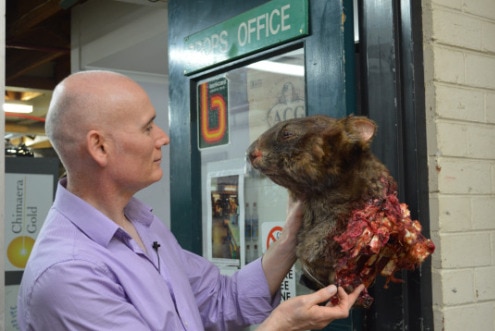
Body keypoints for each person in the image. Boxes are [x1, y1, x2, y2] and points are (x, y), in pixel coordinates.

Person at [17, 70, 364, 331]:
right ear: (99, 147)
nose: (163, 138)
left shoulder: (139, 223)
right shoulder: (68, 274)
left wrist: (292, 235)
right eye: (147, 127)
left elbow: (221, 299)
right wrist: (278, 326)